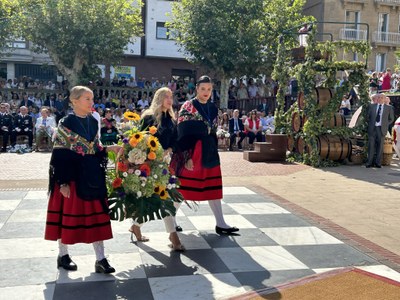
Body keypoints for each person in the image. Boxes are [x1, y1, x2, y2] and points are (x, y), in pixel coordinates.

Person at [44, 86, 122, 274]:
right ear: (75, 101)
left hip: (91, 175)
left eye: (92, 98)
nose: (91, 102)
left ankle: (101, 259)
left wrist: (110, 148)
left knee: (97, 216)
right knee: (67, 218)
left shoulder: (93, 122)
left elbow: (94, 148)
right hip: (70, 178)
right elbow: (60, 154)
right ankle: (63, 255)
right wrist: (62, 182)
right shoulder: (66, 122)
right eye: (87, 99)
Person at [174, 75, 239, 235]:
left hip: (209, 152)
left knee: (213, 187)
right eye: (203, 89)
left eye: (209, 89)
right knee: (183, 189)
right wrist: (186, 156)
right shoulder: (188, 106)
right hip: (192, 152)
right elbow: (182, 132)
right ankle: (171, 220)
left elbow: (213, 131)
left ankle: (221, 223)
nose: (206, 92)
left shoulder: (212, 108)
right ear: (197, 88)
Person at [128, 87, 185, 251]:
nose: (169, 100)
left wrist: (169, 149)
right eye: (166, 96)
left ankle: (168, 234)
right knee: (151, 198)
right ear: (159, 98)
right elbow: (138, 140)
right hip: (148, 164)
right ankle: (170, 235)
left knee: (165, 197)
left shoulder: (172, 119)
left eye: (171, 97)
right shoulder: (148, 117)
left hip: (165, 165)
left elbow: (175, 140)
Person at [366, 93, 394, 168]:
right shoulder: (371, 106)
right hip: (372, 128)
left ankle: (378, 163)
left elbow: (391, 119)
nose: (380, 98)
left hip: (381, 129)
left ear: (385, 99)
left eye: (381, 97)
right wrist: (371, 124)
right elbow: (367, 117)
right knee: (371, 146)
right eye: (378, 97)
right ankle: (369, 162)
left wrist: (385, 124)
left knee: (380, 147)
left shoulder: (389, 108)